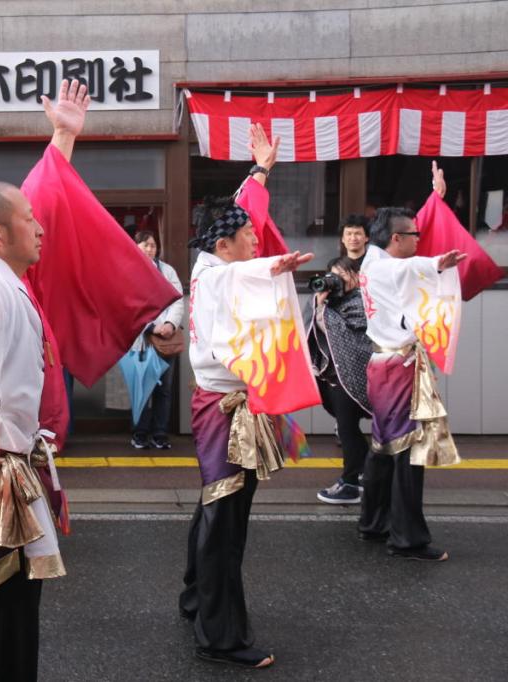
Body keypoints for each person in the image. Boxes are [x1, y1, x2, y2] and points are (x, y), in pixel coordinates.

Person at [0, 79, 177, 682]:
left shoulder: (11, 275)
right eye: (29, 221)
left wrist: (63, 137)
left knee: (17, 610)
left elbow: (40, 194)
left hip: (16, 463)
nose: (41, 228)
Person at [179, 123, 315, 669]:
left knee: (214, 509)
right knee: (224, 519)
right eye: (250, 240)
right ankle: (220, 636)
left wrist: (260, 171)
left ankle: (197, 600)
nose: (259, 240)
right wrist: (272, 267)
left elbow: (242, 217)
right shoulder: (216, 277)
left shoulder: (215, 264)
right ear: (223, 245)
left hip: (224, 403)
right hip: (223, 411)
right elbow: (243, 277)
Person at [357, 162, 465, 562]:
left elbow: (405, 249)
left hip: (383, 365)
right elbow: (413, 265)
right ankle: (406, 538)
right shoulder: (391, 268)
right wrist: (440, 263)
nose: (422, 240)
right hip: (397, 368)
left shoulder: (371, 259)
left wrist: (434, 198)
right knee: (408, 450)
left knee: (385, 446)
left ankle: (373, 522)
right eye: (416, 235)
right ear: (398, 239)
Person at [305, 256, 373, 504]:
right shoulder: (328, 302)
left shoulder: (362, 301)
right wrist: (318, 305)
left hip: (352, 377)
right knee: (349, 430)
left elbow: (354, 336)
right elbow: (306, 331)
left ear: (356, 277)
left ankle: (350, 483)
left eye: (342, 275)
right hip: (332, 377)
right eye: (332, 275)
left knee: (347, 430)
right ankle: (368, 472)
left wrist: (323, 312)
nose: (337, 280)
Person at [129, 230, 185, 450]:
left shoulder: (167, 270)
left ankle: (160, 433)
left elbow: (177, 299)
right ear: (136, 246)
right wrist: (152, 326)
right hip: (142, 340)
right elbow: (130, 306)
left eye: (153, 245)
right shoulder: (130, 272)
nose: (150, 249)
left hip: (166, 340)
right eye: (145, 245)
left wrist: (170, 324)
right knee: (142, 388)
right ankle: (140, 433)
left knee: (164, 389)